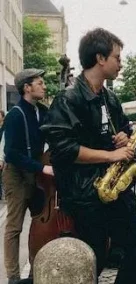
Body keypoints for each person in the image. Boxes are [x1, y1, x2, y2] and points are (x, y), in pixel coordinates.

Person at [41, 28, 136, 284]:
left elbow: (123, 128)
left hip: (113, 187)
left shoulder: (110, 98)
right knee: (94, 258)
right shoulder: (67, 99)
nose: (120, 64)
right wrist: (111, 156)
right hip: (84, 195)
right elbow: (64, 150)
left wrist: (124, 135)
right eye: (117, 58)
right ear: (100, 58)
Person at [3, 69, 54, 284]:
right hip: (16, 174)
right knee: (14, 226)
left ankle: (36, 271)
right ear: (27, 87)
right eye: (40, 83)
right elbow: (12, 153)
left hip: (35, 171)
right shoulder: (15, 115)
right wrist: (41, 168)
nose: (44, 86)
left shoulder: (42, 111)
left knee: (38, 224)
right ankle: (14, 277)